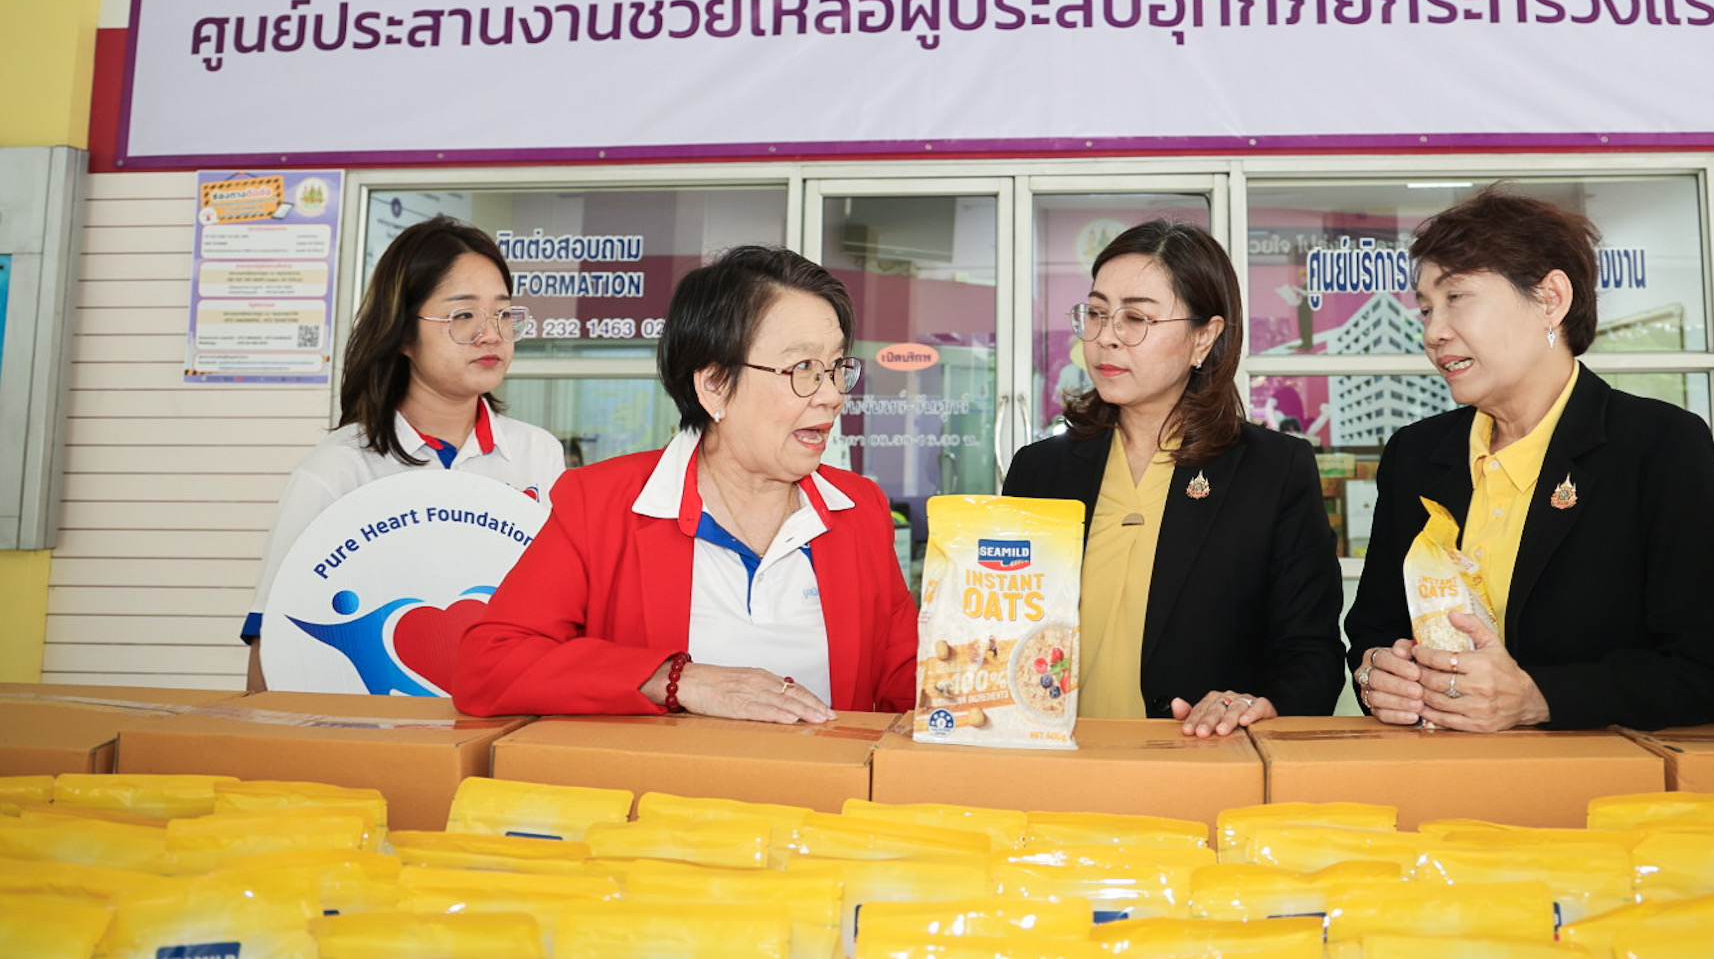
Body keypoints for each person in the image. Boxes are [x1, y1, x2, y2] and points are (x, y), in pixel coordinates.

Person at [455, 246, 915, 719]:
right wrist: (674, 680)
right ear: (714, 384)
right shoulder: (602, 503)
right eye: (803, 369)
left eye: (837, 369)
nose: (833, 396)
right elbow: (490, 665)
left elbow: (908, 682)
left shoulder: (859, 508)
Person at [1346, 189, 1714, 732]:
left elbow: (1708, 672)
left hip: (1599, 776)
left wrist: (1540, 698)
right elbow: (1374, 629)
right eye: (1427, 309)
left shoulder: (1657, 444)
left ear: (1551, 298)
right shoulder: (1415, 453)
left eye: (1457, 297)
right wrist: (1378, 675)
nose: (1433, 333)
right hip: (1436, 768)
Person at [1002, 221, 1344, 737]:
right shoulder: (1039, 470)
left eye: (1136, 318)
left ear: (1203, 337)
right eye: (1096, 313)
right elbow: (1001, 632)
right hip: (1056, 760)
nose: (1106, 337)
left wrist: (1253, 705)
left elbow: (1311, 656)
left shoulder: (1273, 470)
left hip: (1200, 763)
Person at [243, 217, 565, 691]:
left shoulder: (538, 454)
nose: (491, 334)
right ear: (402, 334)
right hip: (366, 720)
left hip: (506, 710)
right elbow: (273, 637)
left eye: (502, 313)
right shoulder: (336, 469)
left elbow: (563, 610)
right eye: (463, 315)